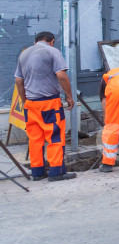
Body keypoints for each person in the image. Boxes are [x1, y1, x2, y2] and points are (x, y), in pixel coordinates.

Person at [13, 31, 76, 182]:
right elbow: (61, 76)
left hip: (31, 104)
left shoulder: (23, 54)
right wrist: (69, 96)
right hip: (49, 102)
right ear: (51, 41)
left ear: (36, 41)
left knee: (35, 139)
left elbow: (18, 82)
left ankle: (37, 172)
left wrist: (25, 101)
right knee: (54, 136)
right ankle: (56, 172)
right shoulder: (52, 51)